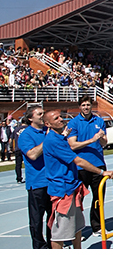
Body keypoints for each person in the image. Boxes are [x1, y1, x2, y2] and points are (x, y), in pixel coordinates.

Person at [43, 110, 113, 249]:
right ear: (48, 124)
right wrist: (101, 172)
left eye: (60, 116)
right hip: (62, 190)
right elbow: (78, 161)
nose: (61, 119)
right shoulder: (53, 140)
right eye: (56, 118)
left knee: (77, 228)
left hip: (72, 187)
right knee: (60, 233)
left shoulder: (60, 138)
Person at [66, 96, 108, 237]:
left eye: (88, 105)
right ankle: (78, 229)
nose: (86, 107)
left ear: (91, 106)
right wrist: (91, 140)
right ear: (79, 107)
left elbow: (104, 143)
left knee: (99, 197)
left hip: (98, 164)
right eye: (83, 105)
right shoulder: (74, 123)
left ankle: (97, 226)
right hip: (80, 166)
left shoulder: (99, 121)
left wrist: (101, 138)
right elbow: (72, 145)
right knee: (78, 199)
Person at [17, 106, 52, 248]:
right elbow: (32, 154)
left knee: (53, 217)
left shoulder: (47, 131)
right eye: (39, 114)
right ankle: (38, 247)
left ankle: (52, 244)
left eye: (43, 113)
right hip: (37, 183)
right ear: (31, 118)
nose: (42, 116)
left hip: (52, 181)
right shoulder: (26, 135)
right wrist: (48, 139)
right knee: (37, 220)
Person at [12, 115, 27, 184]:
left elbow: (11, 139)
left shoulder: (16, 129)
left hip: (17, 148)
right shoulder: (28, 129)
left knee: (18, 165)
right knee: (28, 164)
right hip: (26, 148)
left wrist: (11, 147)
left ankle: (18, 178)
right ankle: (28, 177)